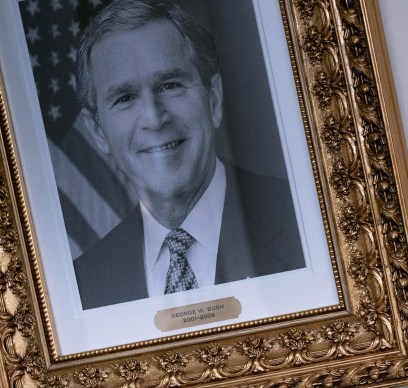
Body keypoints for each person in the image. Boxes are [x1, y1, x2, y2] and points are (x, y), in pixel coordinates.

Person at [72, 0, 305, 309]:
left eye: (170, 85)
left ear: (213, 99)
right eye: (125, 98)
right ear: (98, 132)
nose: (154, 119)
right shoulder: (84, 285)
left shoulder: (305, 222)